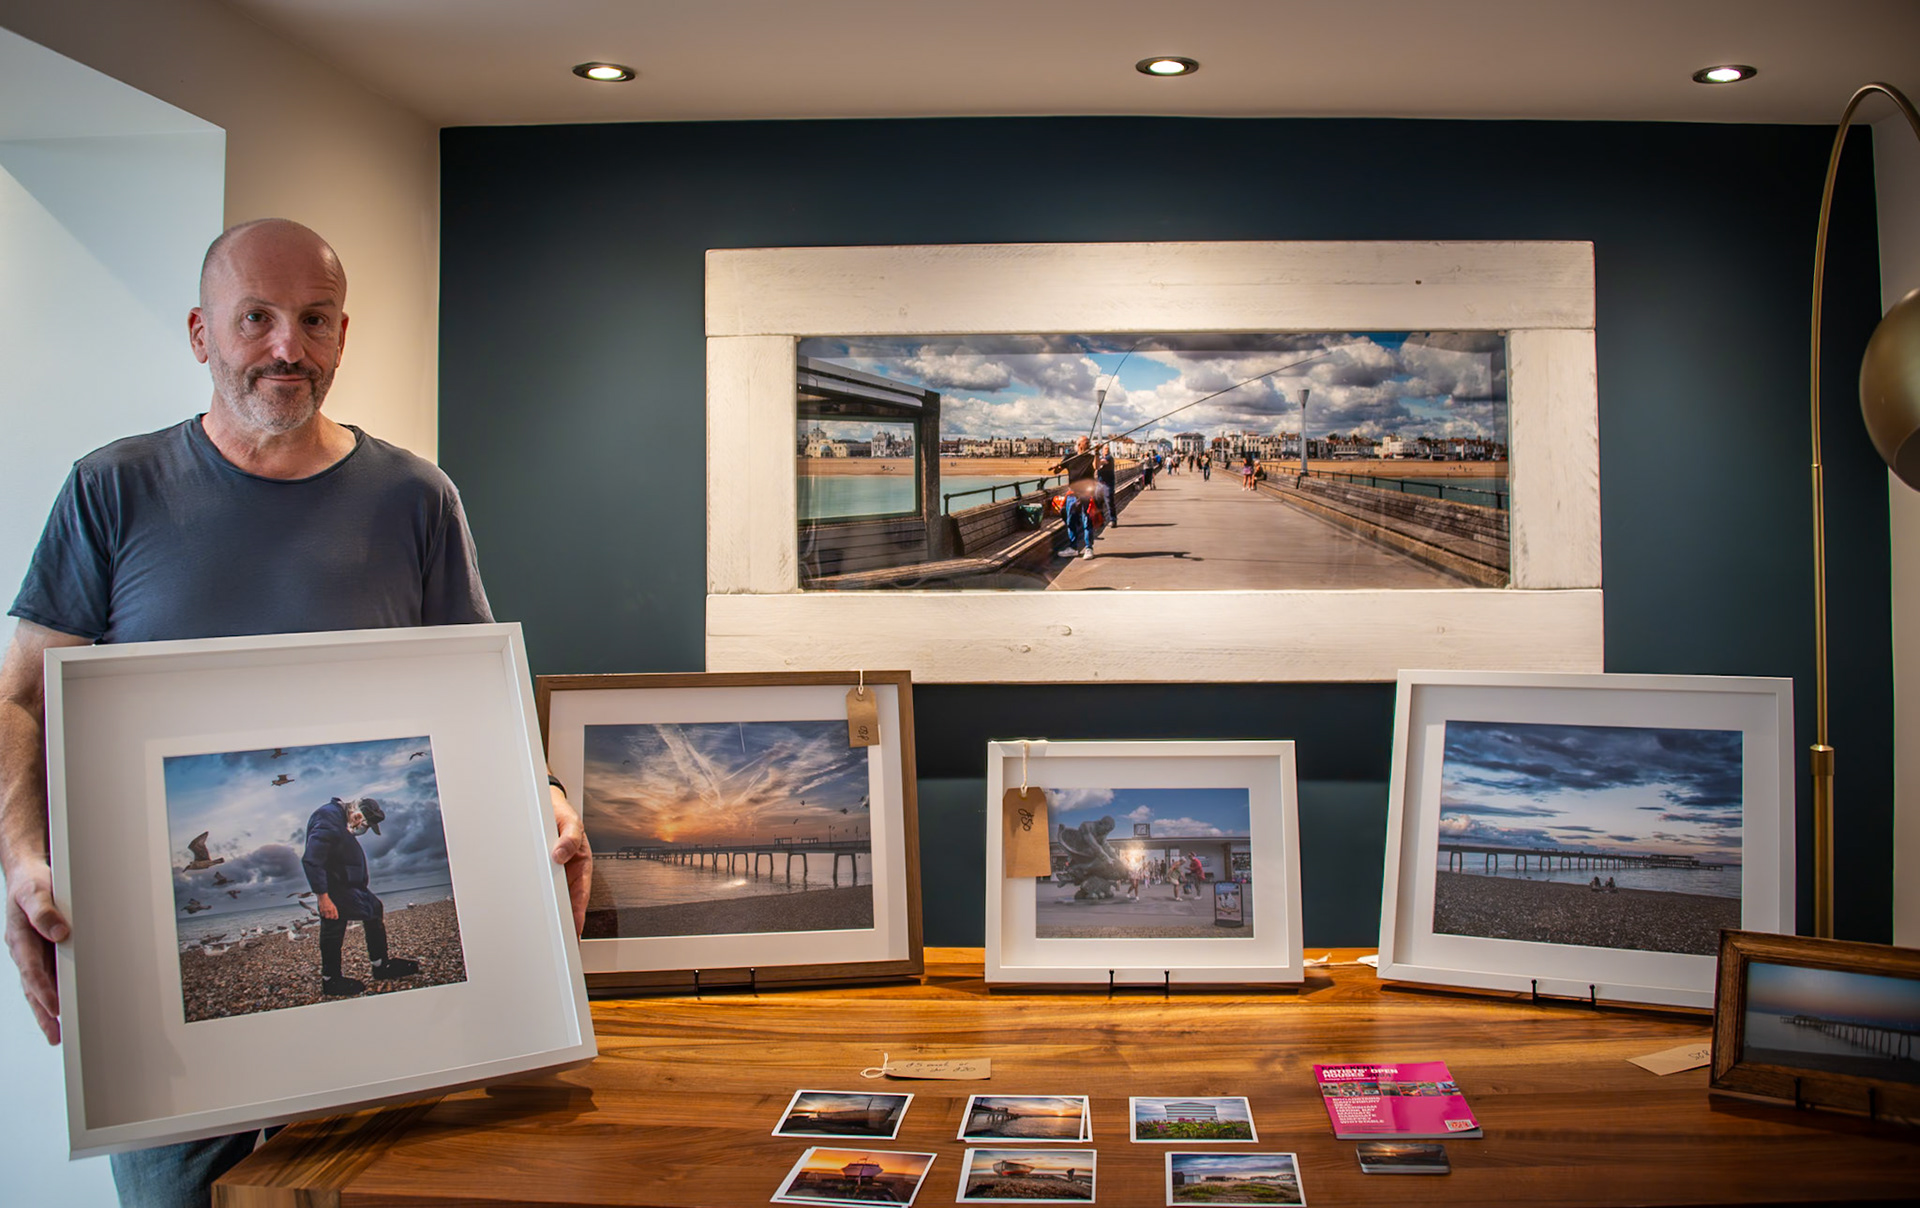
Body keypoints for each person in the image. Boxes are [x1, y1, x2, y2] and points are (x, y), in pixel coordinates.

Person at [0, 219, 592, 1208]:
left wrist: (547, 795)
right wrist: (22, 858)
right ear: (201, 333)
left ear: (342, 334)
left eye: (315, 320)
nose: (288, 346)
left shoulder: (416, 498)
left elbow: (477, 707)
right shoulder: (112, 489)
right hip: (164, 1038)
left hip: (397, 1052)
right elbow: (21, 698)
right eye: (256, 319)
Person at [303, 797, 419, 997]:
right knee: (333, 926)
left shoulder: (340, 818)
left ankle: (381, 965)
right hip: (335, 885)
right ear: (357, 812)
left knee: (374, 909)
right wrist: (323, 897)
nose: (362, 828)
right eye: (365, 824)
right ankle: (331, 980)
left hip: (350, 885)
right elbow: (312, 858)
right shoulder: (327, 817)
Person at [1048, 435, 1099, 560]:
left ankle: (1089, 548)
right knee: (1070, 521)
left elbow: (1096, 466)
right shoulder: (1070, 458)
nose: (1089, 444)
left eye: (1089, 442)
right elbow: (1057, 471)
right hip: (1072, 494)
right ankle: (1073, 548)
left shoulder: (1091, 458)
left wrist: (1097, 452)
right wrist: (1056, 466)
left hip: (1086, 494)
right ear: (1080, 445)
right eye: (1087, 442)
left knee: (1087, 520)